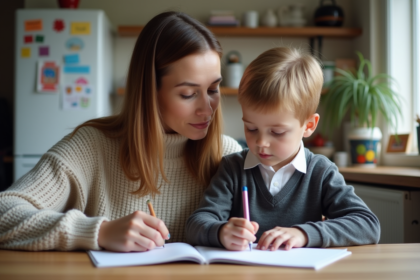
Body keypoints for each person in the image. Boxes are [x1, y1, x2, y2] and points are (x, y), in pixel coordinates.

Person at [0, 12, 242, 252]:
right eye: (188, 94)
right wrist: (99, 232)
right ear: (149, 91)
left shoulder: (228, 155)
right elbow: (4, 212)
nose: (207, 109)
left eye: (213, 89)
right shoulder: (91, 146)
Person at [186, 47, 380, 251]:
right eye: (251, 128)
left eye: (277, 132)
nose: (261, 142)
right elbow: (196, 224)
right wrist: (221, 232)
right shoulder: (232, 168)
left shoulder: (321, 172)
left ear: (309, 126)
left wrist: (304, 234)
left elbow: (367, 224)